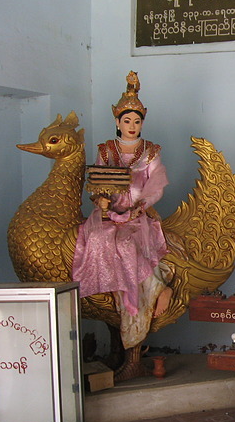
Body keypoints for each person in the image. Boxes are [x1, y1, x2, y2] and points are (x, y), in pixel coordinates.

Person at [72, 71, 173, 380]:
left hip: (137, 216)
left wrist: (139, 205)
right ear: (117, 122)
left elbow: (155, 186)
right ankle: (112, 303)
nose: (131, 126)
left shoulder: (150, 151)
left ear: (142, 122)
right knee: (98, 239)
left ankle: (149, 296)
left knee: (128, 248)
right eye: (126, 121)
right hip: (108, 214)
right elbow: (98, 183)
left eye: (136, 121)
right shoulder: (106, 151)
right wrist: (102, 202)